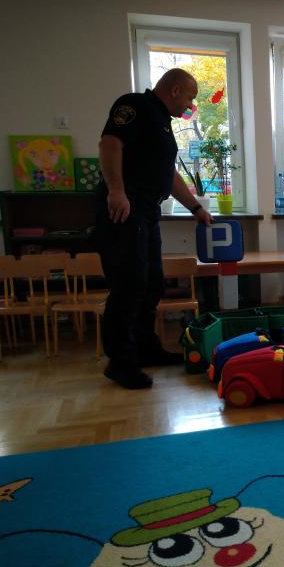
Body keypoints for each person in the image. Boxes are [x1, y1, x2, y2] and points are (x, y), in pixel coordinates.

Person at [93, 68, 213, 390]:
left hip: (146, 212)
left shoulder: (162, 123)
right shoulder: (134, 106)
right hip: (125, 209)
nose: (190, 105)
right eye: (189, 97)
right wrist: (116, 191)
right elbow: (109, 144)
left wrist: (196, 208)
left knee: (151, 283)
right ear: (175, 90)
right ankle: (121, 363)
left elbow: (167, 174)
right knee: (129, 285)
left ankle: (146, 348)